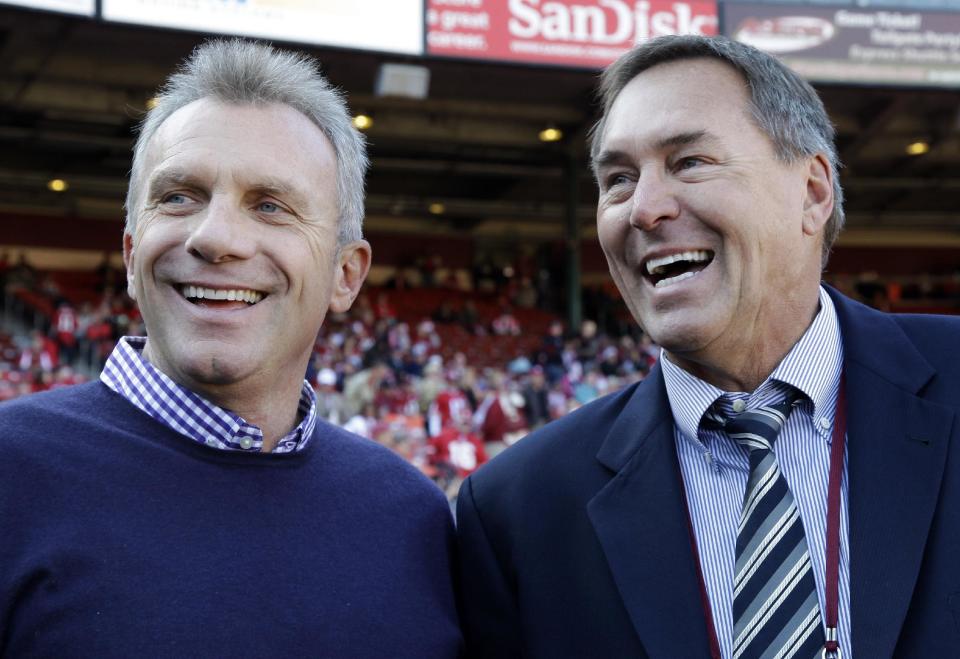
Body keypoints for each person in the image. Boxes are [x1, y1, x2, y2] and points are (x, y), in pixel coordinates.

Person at [456, 34, 960, 659]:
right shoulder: (518, 508)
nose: (642, 209)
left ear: (812, 192)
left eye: (689, 161)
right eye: (618, 179)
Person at [0, 39, 461, 657]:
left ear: (345, 275)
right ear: (132, 256)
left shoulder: (413, 517)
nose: (216, 238)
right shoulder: (11, 471)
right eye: (179, 196)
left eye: (271, 206)